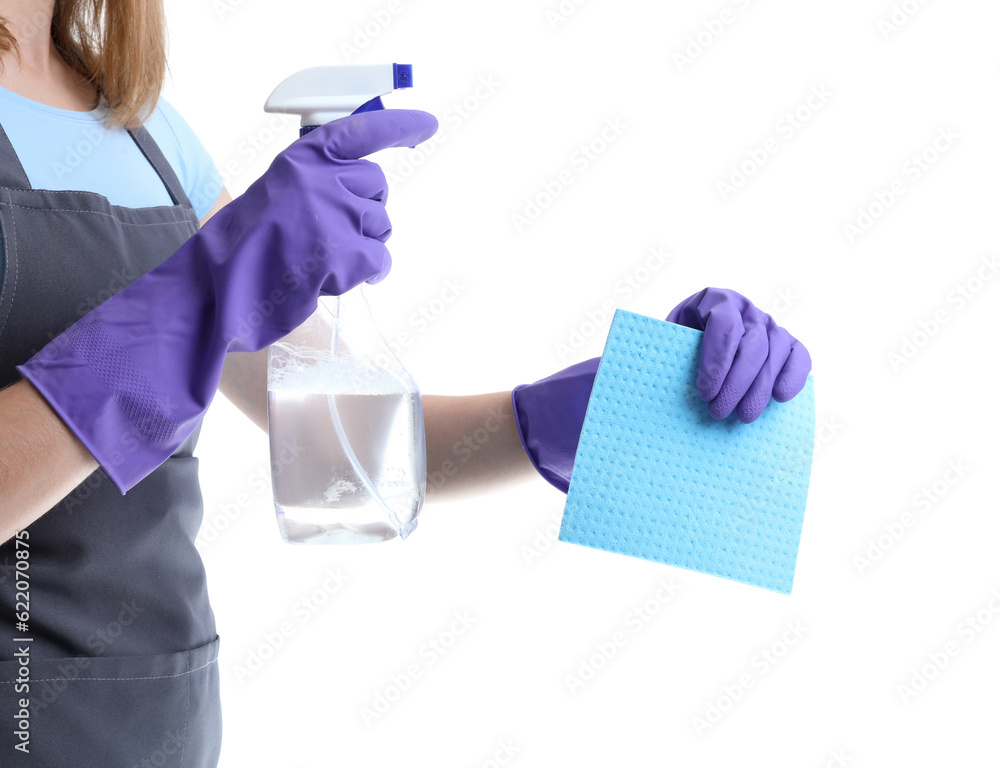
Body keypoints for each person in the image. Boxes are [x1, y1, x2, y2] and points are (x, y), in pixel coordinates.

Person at [0, 1, 811, 765]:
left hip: (157, 719)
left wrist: (603, 411)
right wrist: (201, 295)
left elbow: (345, 457)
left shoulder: (144, 128)